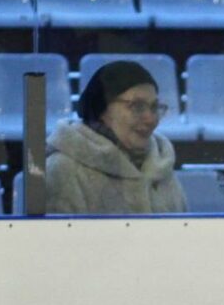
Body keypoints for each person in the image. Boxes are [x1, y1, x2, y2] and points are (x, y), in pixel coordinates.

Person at [47, 61, 186, 215]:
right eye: (137, 106)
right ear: (101, 109)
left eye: (154, 107)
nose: (151, 119)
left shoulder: (161, 164)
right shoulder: (63, 170)